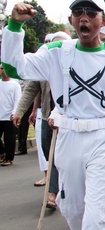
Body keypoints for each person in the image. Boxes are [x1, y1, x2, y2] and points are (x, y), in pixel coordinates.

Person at [1, 0, 105, 229]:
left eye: (91, 13)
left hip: (103, 139)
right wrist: (14, 26)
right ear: (72, 21)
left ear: (103, 21)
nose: (84, 17)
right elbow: (12, 68)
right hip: (68, 139)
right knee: (73, 211)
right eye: (78, 12)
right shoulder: (57, 52)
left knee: (95, 217)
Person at [11, 31, 71, 207]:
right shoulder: (45, 66)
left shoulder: (76, 66)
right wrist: (19, 112)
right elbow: (30, 89)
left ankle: (53, 193)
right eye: (55, 45)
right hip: (47, 118)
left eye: (62, 45)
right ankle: (56, 189)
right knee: (50, 155)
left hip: (70, 122)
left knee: (68, 157)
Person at [0, 64, 22, 166]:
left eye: (3, 68)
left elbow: (18, 100)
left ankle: (8, 158)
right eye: (0, 69)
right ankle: (2, 152)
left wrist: (14, 113)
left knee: (9, 139)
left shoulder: (15, 85)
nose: (2, 70)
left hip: (9, 116)